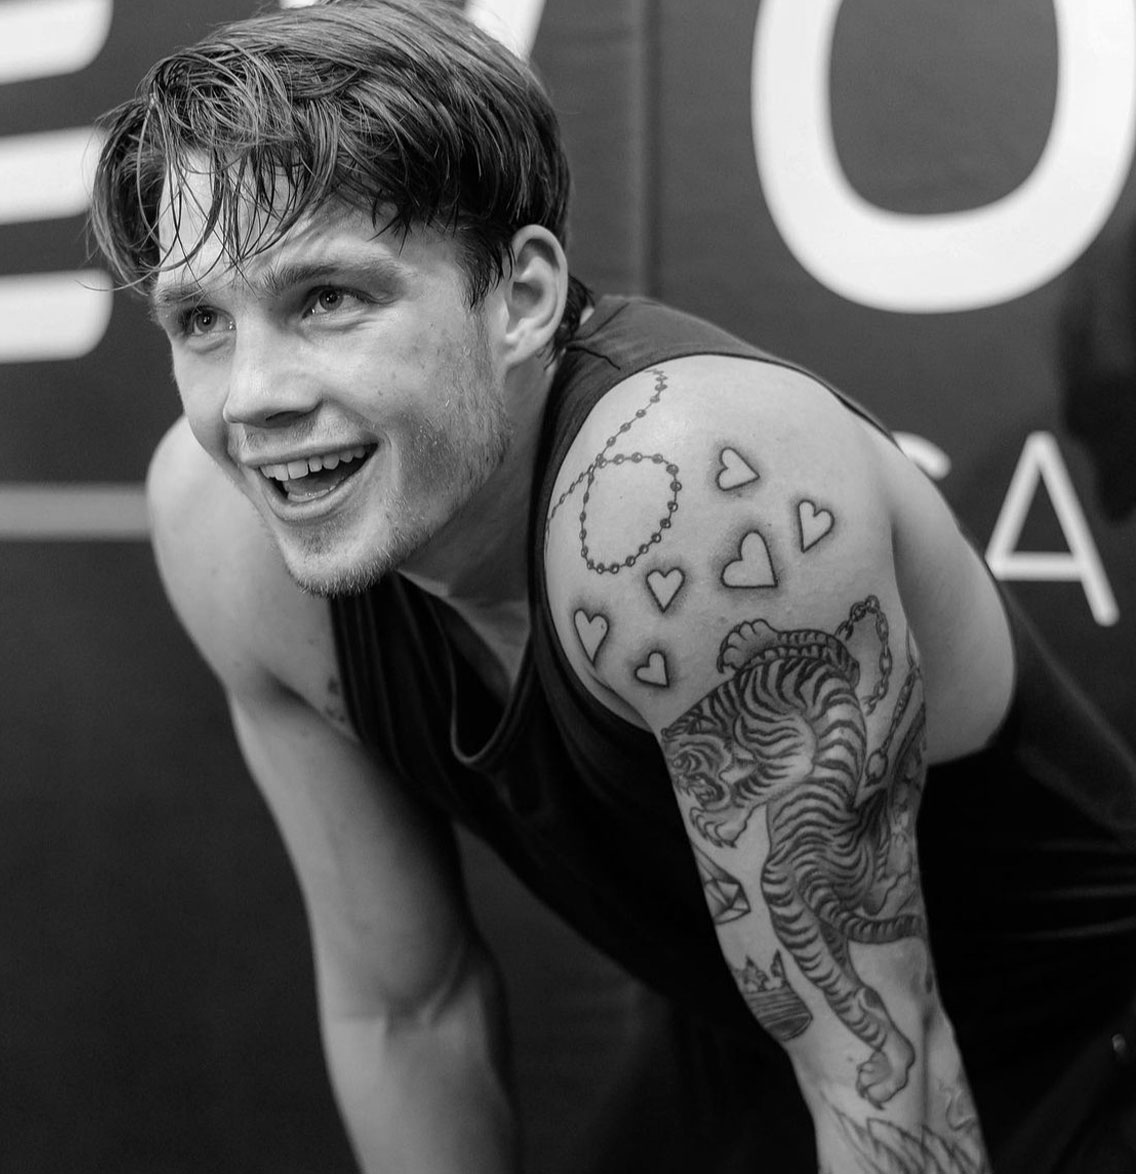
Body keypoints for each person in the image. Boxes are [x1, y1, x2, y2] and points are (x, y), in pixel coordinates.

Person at [88, 1, 1136, 1170]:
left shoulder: (690, 498)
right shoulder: (221, 520)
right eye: (199, 321)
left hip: (1065, 1055)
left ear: (523, 297)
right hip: (749, 1051)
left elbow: (885, 1063)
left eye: (328, 297)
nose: (251, 399)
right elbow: (407, 1007)